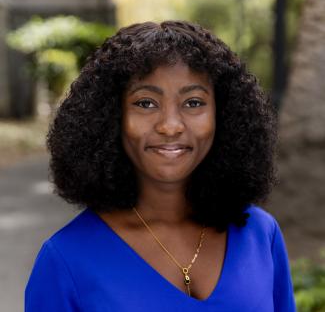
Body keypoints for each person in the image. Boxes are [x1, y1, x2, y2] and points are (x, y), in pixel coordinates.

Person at [25, 20, 296, 311]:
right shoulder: (66, 260)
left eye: (193, 103)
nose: (170, 126)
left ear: (224, 115)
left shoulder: (260, 234)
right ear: (110, 117)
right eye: (146, 103)